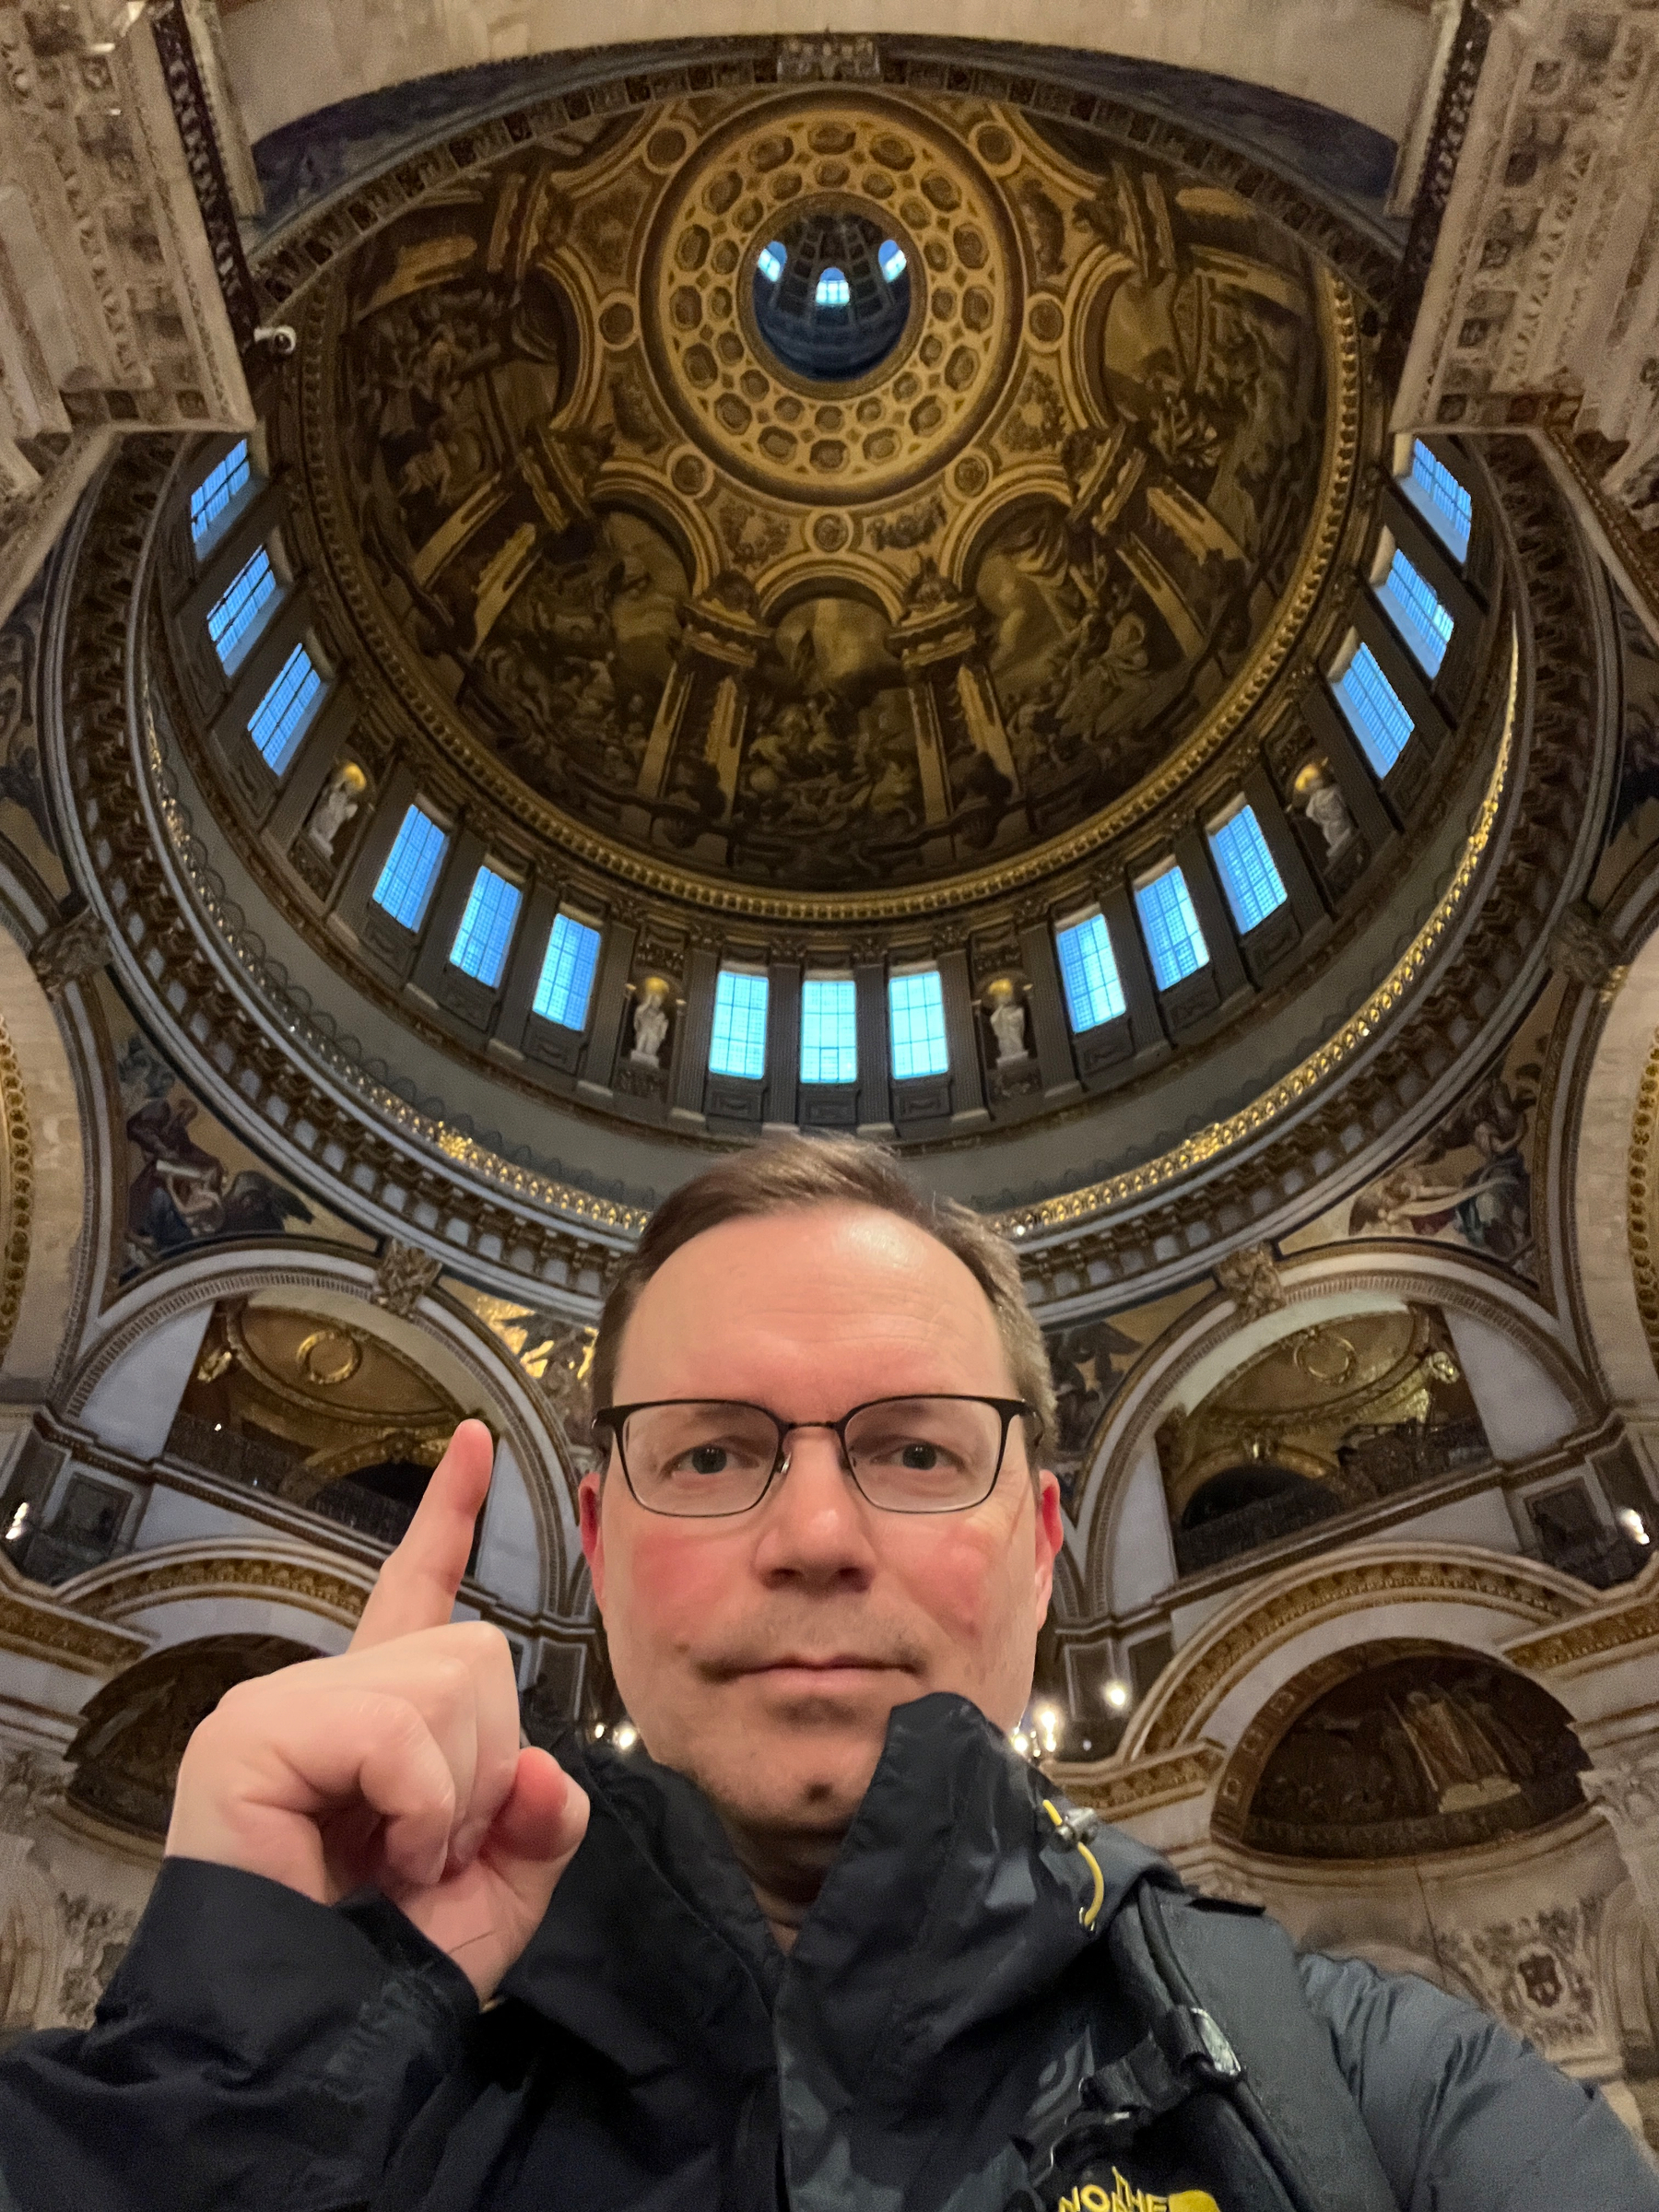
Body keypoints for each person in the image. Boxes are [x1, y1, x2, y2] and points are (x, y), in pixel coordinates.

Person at [0, 1136, 1654, 2212]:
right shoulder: (336, 2088)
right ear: (597, 1539)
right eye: (712, 1454)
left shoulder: (1375, 2098)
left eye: (919, 1450)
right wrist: (236, 2068)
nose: (812, 1533)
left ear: (1041, 1541)